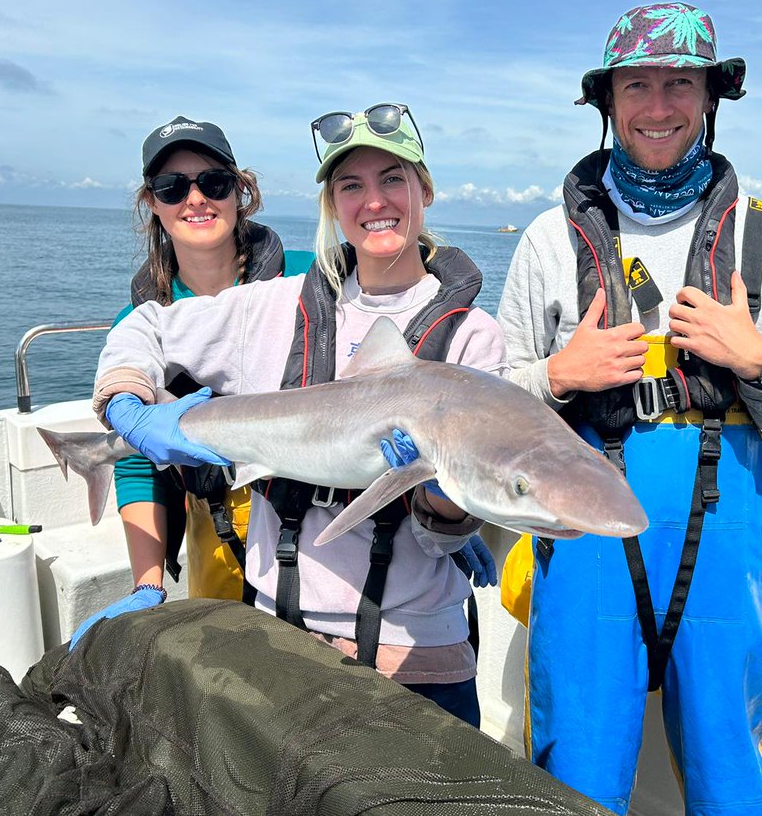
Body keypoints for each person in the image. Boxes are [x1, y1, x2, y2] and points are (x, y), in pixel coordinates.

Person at [496, 2, 762, 814]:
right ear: (609, 102)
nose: (658, 106)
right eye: (638, 84)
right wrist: (558, 375)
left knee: (733, 778)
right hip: (582, 530)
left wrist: (755, 364)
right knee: (571, 776)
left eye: (679, 83)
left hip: (731, 540)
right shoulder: (551, 241)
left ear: (710, 99)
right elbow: (496, 410)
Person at [89, 104, 505, 727]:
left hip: (415, 643)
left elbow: (438, 532)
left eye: (393, 178)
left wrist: (452, 506)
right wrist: (126, 399)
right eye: (350, 186)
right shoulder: (271, 307)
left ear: (425, 189)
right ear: (333, 206)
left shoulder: (474, 338)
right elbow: (145, 324)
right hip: (277, 629)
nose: (374, 201)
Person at [70, 117, 304, 648]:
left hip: (314, 520)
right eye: (173, 188)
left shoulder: (307, 280)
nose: (195, 199)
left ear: (241, 192)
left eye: (214, 183)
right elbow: (137, 460)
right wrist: (148, 584)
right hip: (213, 525)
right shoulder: (140, 323)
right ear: (152, 203)